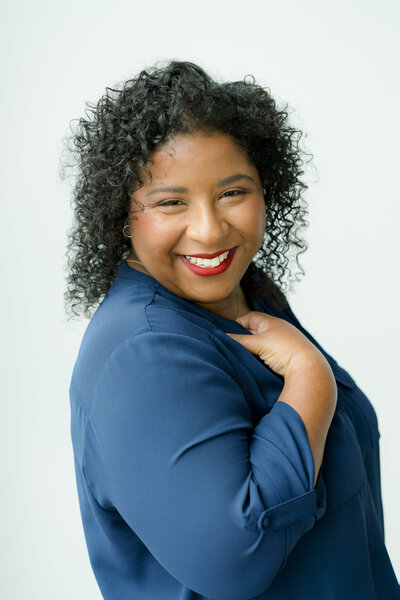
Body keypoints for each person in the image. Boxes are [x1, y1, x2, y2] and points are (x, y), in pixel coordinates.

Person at [63, 60, 400, 599]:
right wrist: (312, 380)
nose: (209, 229)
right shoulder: (143, 354)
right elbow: (235, 561)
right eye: (171, 202)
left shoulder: (244, 292)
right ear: (122, 214)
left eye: (232, 193)